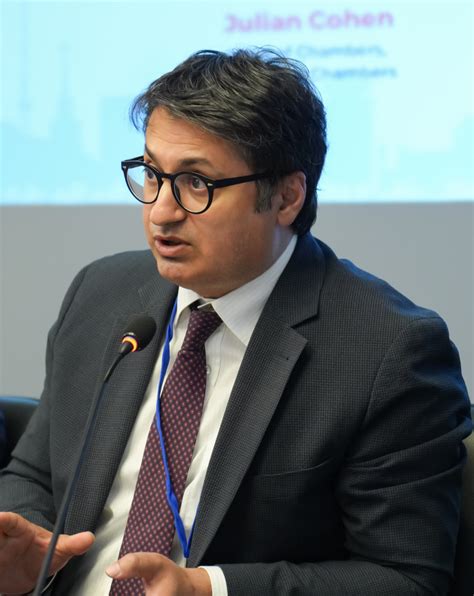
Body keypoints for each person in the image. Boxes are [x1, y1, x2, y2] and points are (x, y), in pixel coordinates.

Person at [0, 48, 471, 596]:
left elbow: (405, 578)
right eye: (152, 174)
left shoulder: (390, 350)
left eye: (196, 183)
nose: (160, 211)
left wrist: (209, 589)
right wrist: (27, 549)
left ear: (287, 197)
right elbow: (35, 475)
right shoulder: (101, 293)